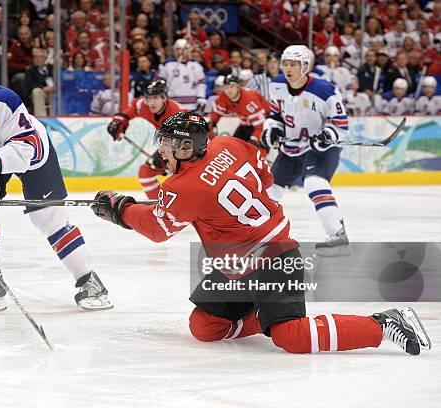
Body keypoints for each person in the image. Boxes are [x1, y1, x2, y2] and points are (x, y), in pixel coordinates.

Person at [90, 111, 431, 356]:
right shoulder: (228, 144)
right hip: (239, 265)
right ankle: (264, 314)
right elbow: (266, 175)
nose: (161, 149)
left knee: (291, 337)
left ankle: (383, 323)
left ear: (184, 148)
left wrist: (118, 209)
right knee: (204, 327)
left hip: (273, 260)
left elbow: (157, 228)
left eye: (166, 143)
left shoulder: (182, 186)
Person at [0, 57, 112, 313]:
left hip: (27, 153)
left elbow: (29, 150)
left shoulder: (3, 100)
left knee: (48, 218)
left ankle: (89, 280)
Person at [261, 45, 349, 256]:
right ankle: (256, 235)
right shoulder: (277, 85)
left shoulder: (324, 90)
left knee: (314, 183)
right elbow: (275, 115)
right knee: (267, 191)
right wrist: (272, 129)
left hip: (320, 148)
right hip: (291, 148)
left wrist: (327, 135)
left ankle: (337, 234)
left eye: (293, 64)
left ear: (305, 66)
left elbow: (341, 125)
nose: (288, 69)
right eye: (286, 64)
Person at [106, 79, 183, 199]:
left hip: (187, 148)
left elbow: (185, 142)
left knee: (184, 178)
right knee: (145, 172)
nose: (151, 102)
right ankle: (161, 204)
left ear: (164, 98)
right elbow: (128, 113)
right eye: (149, 98)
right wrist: (120, 121)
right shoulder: (143, 105)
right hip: (168, 144)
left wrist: (172, 159)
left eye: (156, 97)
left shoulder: (176, 113)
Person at [210, 74, 270, 148]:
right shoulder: (223, 97)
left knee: (257, 150)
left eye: (232, 86)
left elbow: (260, 126)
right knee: (233, 147)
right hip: (246, 123)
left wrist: (254, 140)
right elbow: (216, 113)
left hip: (267, 122)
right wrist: (212, 124)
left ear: (238, 87)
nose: (229, 90)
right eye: (226, 87)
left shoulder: (250, 100)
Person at [159, 39, 206, 112]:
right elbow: (159, 83)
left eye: (184, 49)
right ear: (174, 50)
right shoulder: (166, 65)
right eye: (178, 49)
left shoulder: (196, 65)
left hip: (192, 104)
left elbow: (201, 83)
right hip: (172, 104)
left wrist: (201, 97)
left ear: (188, 50)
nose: (181, 52)